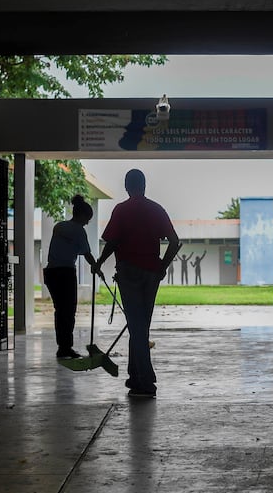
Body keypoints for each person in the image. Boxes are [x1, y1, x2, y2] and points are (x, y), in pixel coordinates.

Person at [95, 169, 180, 398]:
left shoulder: (122, 210)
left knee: (137, 327)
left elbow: (112, 242)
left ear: (126, 186)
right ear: (144, 185)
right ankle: (135, 376)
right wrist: (162, 266)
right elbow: (175, 241)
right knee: (140, 326)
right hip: (151, 274)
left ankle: (146, 382)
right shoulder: (156, 209)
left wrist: (100, 262)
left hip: (129, 273)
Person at [43, 195, 99, 359]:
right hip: (66, 273)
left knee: (60, 310)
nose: (87, 222)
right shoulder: (79, 231)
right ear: (81, 215)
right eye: (87, 219)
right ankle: (65, 348)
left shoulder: (59, 226)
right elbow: (87, 254)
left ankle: (63, 346)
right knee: (68, 311)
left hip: (51, 273)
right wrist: (96, 267)